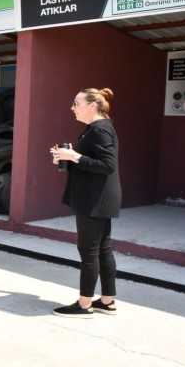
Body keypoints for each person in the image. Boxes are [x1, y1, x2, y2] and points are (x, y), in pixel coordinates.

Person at [50, 87, 121, 318]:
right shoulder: (97, 128)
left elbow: (107, 165)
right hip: (98, 197)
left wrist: (75, 156)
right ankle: (107, 301)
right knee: (102, 250)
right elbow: (91, 162)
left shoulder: (100, 130)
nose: (72, 108)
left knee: (89, 252)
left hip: (94, 199)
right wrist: (68, 157)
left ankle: (84, 305)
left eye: (76, 103)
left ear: (92, 106)